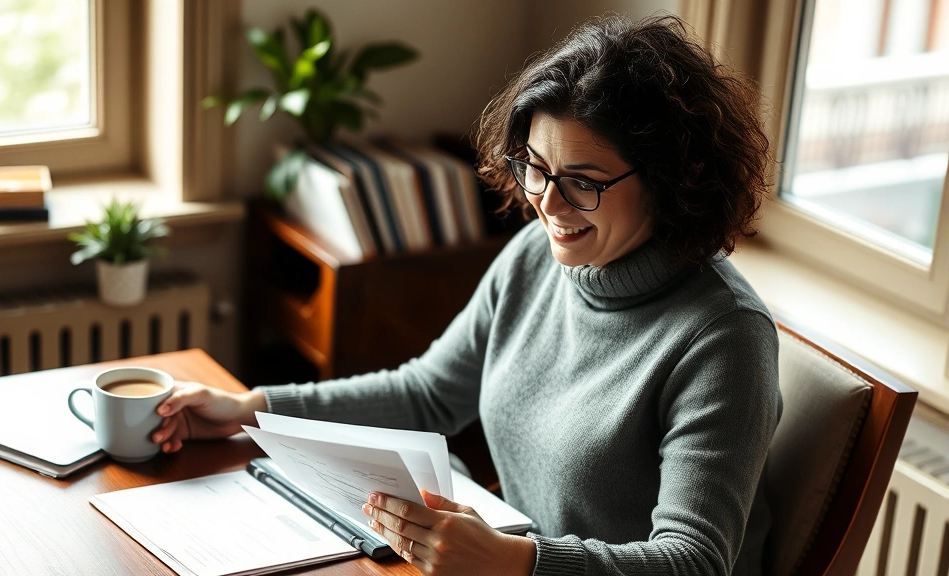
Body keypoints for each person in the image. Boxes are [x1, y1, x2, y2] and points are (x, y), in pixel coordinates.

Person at [153, 13, 782, 576]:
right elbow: (426, 393)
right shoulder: (539, 255)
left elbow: (693, 562)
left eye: (583, 182)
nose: (547, 203)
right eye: (534, 166)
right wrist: (252, 408)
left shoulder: (724, 337)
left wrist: (518, 562)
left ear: (673, 179)